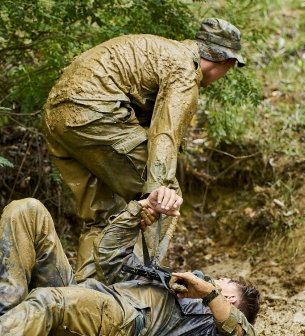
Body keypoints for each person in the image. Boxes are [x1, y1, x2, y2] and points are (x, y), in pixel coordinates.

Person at [0, 187, 261, 336]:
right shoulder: (171, 285)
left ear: (229, 301)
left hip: (117, 326)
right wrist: (140, 210)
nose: (217, 279)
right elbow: (109, 257)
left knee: (48, 300)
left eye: (225, 284)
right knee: (25, 210)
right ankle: (1, 325)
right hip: (90, 297)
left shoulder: (207, 330)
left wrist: (210, 293)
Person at [42, 18, 247, 280]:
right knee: (165, 197)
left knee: (104, 214)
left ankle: (84, 298)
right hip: (94, 114)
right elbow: (165, 134)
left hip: (56, 117)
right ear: (225, 61)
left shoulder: (162, 50)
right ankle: (135, 286)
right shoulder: (184, 71)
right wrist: (157, 189)